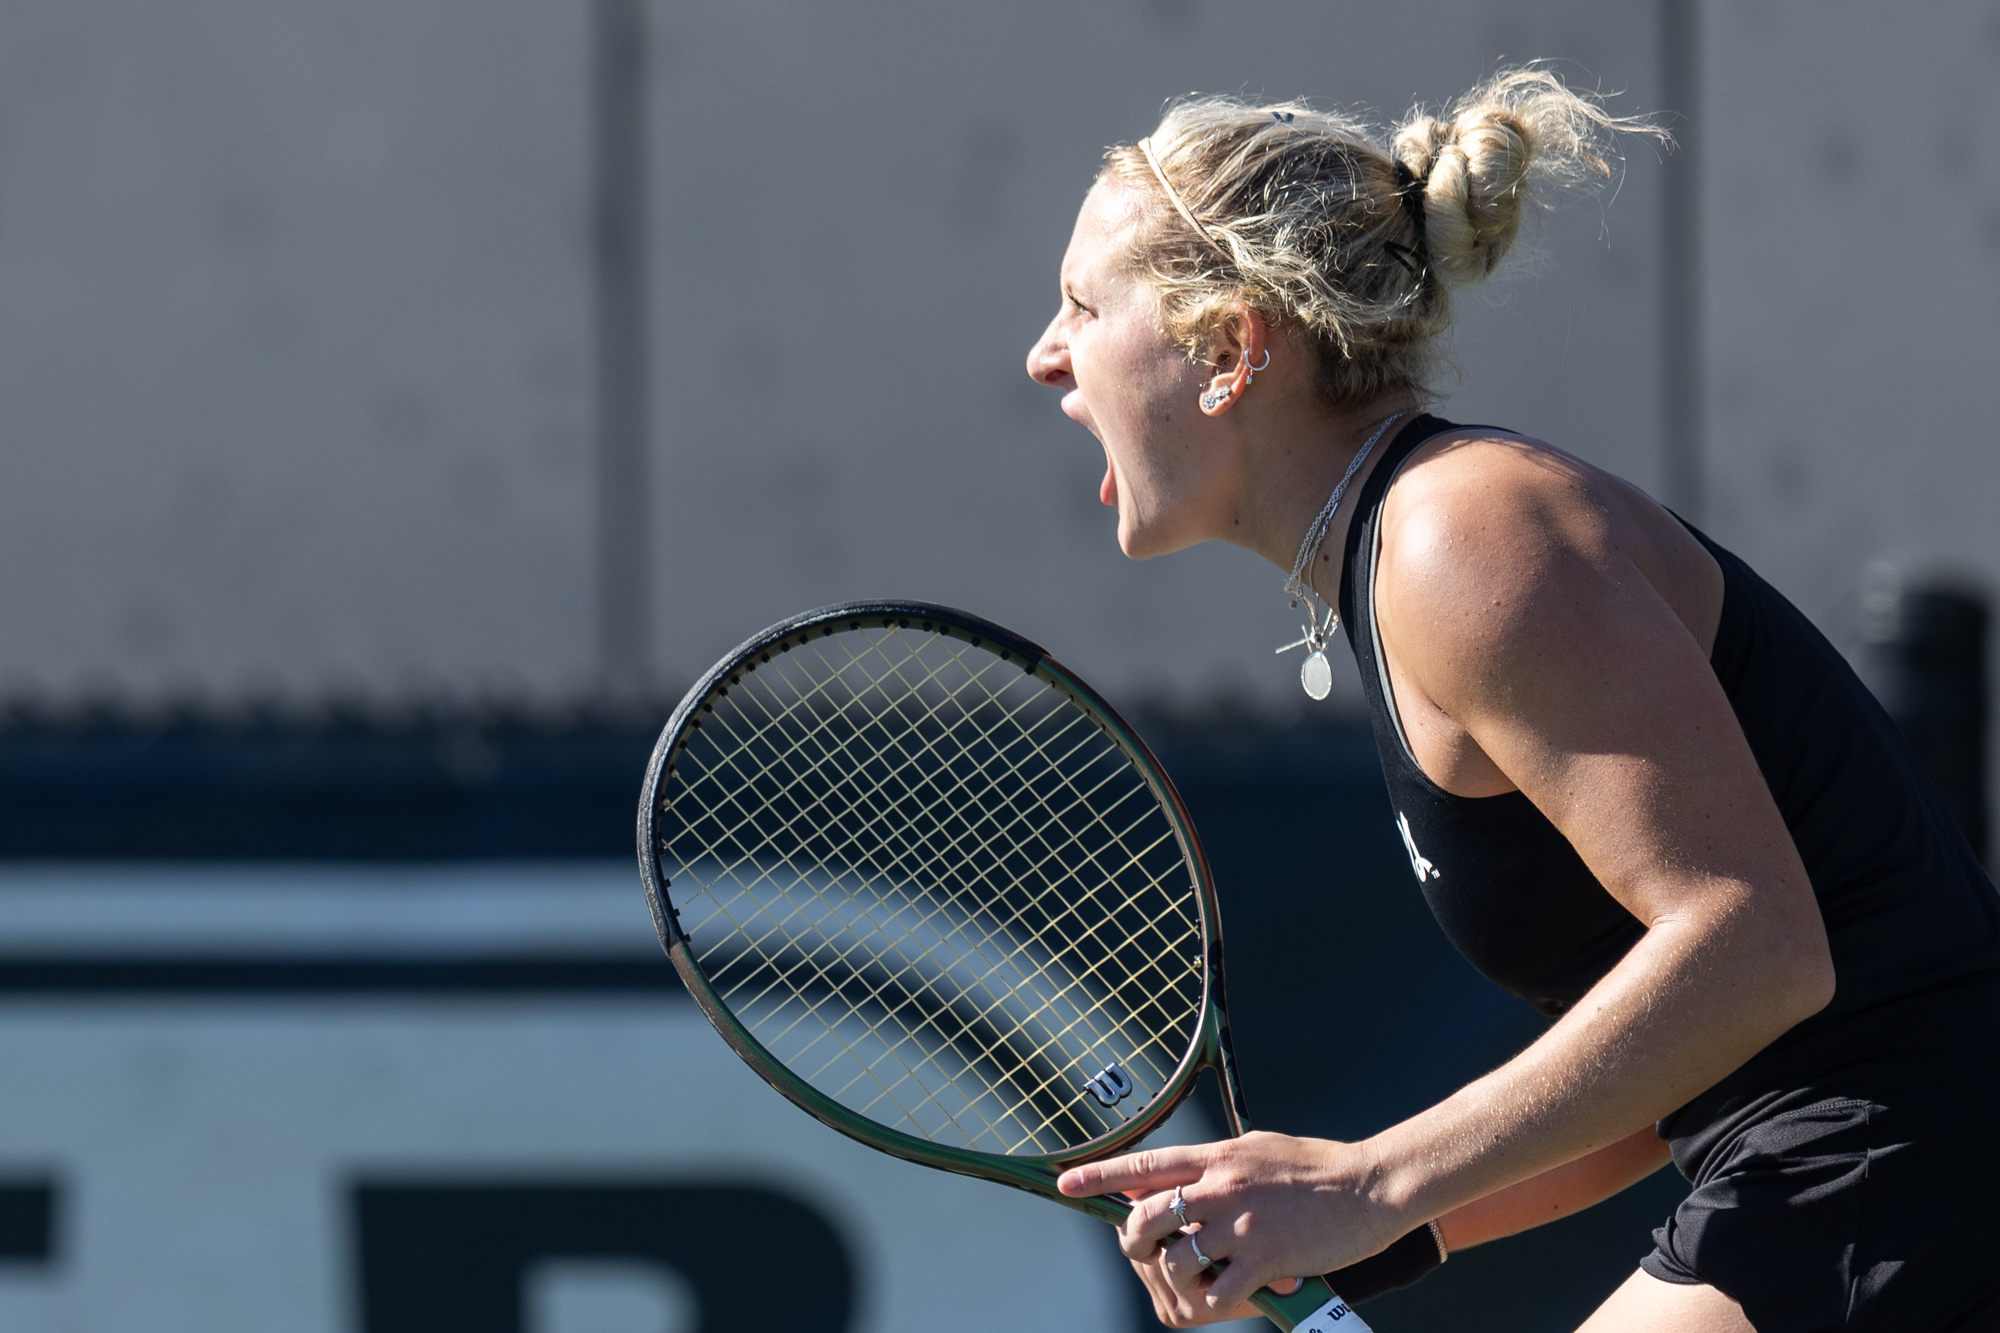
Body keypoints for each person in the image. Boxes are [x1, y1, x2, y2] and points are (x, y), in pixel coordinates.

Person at [1023, 69, 2000, 1332]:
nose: (1045, 357)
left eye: (1080, 306)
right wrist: (1348, 1233)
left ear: (1229, 349)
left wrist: (1366, 1180)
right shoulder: (1408, 553)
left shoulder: (1465, 538)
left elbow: (1754, 946)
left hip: (1902, 1168)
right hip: (1865, 1166)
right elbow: (1666, 1063)